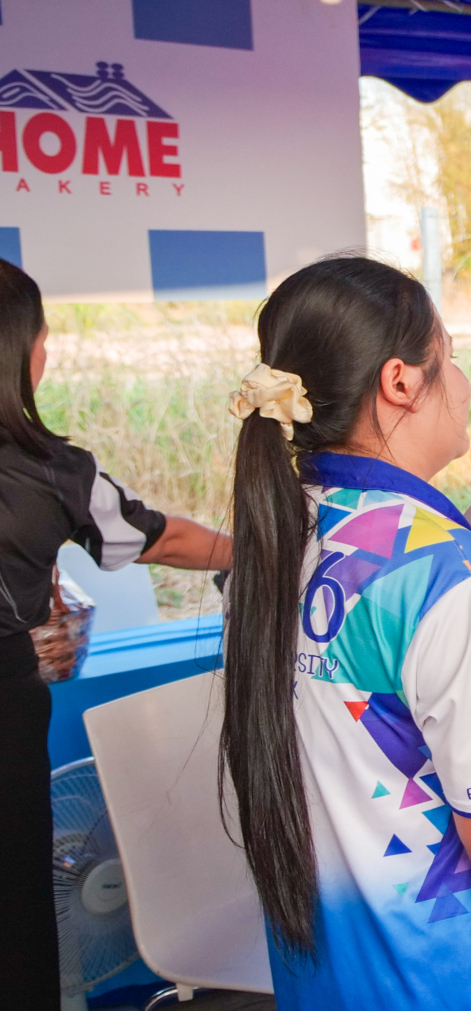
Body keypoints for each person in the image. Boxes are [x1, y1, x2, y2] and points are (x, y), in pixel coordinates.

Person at [219, 257, 471, 1010]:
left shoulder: (276, 543)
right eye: (452, 358)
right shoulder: (447, 573)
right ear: (400, 382)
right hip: (460, 981)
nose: (463, 386)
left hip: (330, 981)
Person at [0, 260, 230, 1009]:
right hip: (6, 715)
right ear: (23, 350)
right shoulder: (52, 473)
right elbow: (162, 539)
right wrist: (261, 550)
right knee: (16, 916)